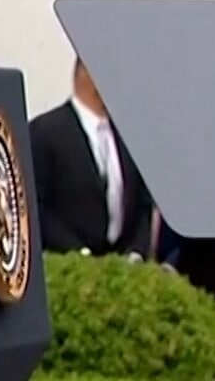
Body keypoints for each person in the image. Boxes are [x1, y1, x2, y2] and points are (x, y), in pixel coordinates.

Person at [29, 59, 156, 257]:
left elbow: (144, 202)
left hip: (121, 264)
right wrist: (78, 253)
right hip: (68, 263)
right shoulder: (46, 132)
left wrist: (136, 253)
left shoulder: (129, 135)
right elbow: (34, 206)